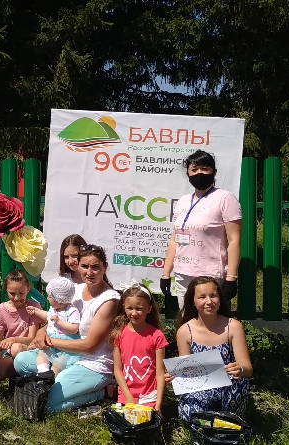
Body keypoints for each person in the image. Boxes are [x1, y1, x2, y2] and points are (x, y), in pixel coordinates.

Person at [13, 244, 120, 413]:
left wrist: (50, 341)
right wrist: (41, 333)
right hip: (64, 354)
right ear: (78, 267)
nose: (89, 272)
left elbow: (89, 346)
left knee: (43, 404)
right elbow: (55, 318)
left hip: (92, 363)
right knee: (20, 361)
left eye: (95, 267)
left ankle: (101, 392)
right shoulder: (76, 290)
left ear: (105, 267)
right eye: (85, 266)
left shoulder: (109, 300)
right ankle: (56, 382)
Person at [160, 150, 242, 309]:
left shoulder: (225, 198)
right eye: (194, 169)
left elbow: (234, 240)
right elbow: (175, 239)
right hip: (183, 274)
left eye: (205, 169)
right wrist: (165, 274)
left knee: (210, 321)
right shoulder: (183, 201)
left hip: (210, 276)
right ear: (188, 173)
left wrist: (231, 277)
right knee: (187, 319)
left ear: (214, 172)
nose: (199, 173)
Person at [166, 276, 252, 422]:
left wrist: (240, 369)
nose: (209, 301)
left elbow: (248, 369)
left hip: (229, 387)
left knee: (240, 385)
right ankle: (209, 425)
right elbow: (186, 372)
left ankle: (226, 423)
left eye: (213, 295)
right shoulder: (185, 331)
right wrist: (175, 377)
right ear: (193, 301)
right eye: (202, 297)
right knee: (188, 412)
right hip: (200, 389)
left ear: (220, 298)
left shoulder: (233, 326)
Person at [110, 282, 167, 413]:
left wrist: (158, 404)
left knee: (146, 422)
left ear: (149, 309)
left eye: (139, 309)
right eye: (130, 308)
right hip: (126, 394)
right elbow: (118, 370)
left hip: (149, 396)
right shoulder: (119, 334)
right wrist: (128, 397)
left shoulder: (157, 336)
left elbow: (160, 373)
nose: (134, 313)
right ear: (124, 307)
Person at [26, 277, 80, 376]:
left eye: (50, 296)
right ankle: (42, 373)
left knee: (58, 365)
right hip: (50, 342)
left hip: (64, 346)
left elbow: (74, 329)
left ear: (59, 299)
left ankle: (51, 378)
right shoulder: (53, 309)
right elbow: (47, 316)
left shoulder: (72, 311)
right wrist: (36, 311)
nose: (47, 298)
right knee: (42, 356)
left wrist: (59, 322)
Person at [0, 270, 44, 360]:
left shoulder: (33, 307)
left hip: (29, 349)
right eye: (12, 293)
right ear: (6, 290)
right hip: (8, 350)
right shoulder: (1, 309)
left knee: (16, 348)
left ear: (28, 289)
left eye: (21, 293)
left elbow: (32, 338)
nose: (16, 298)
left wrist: (12, 340)